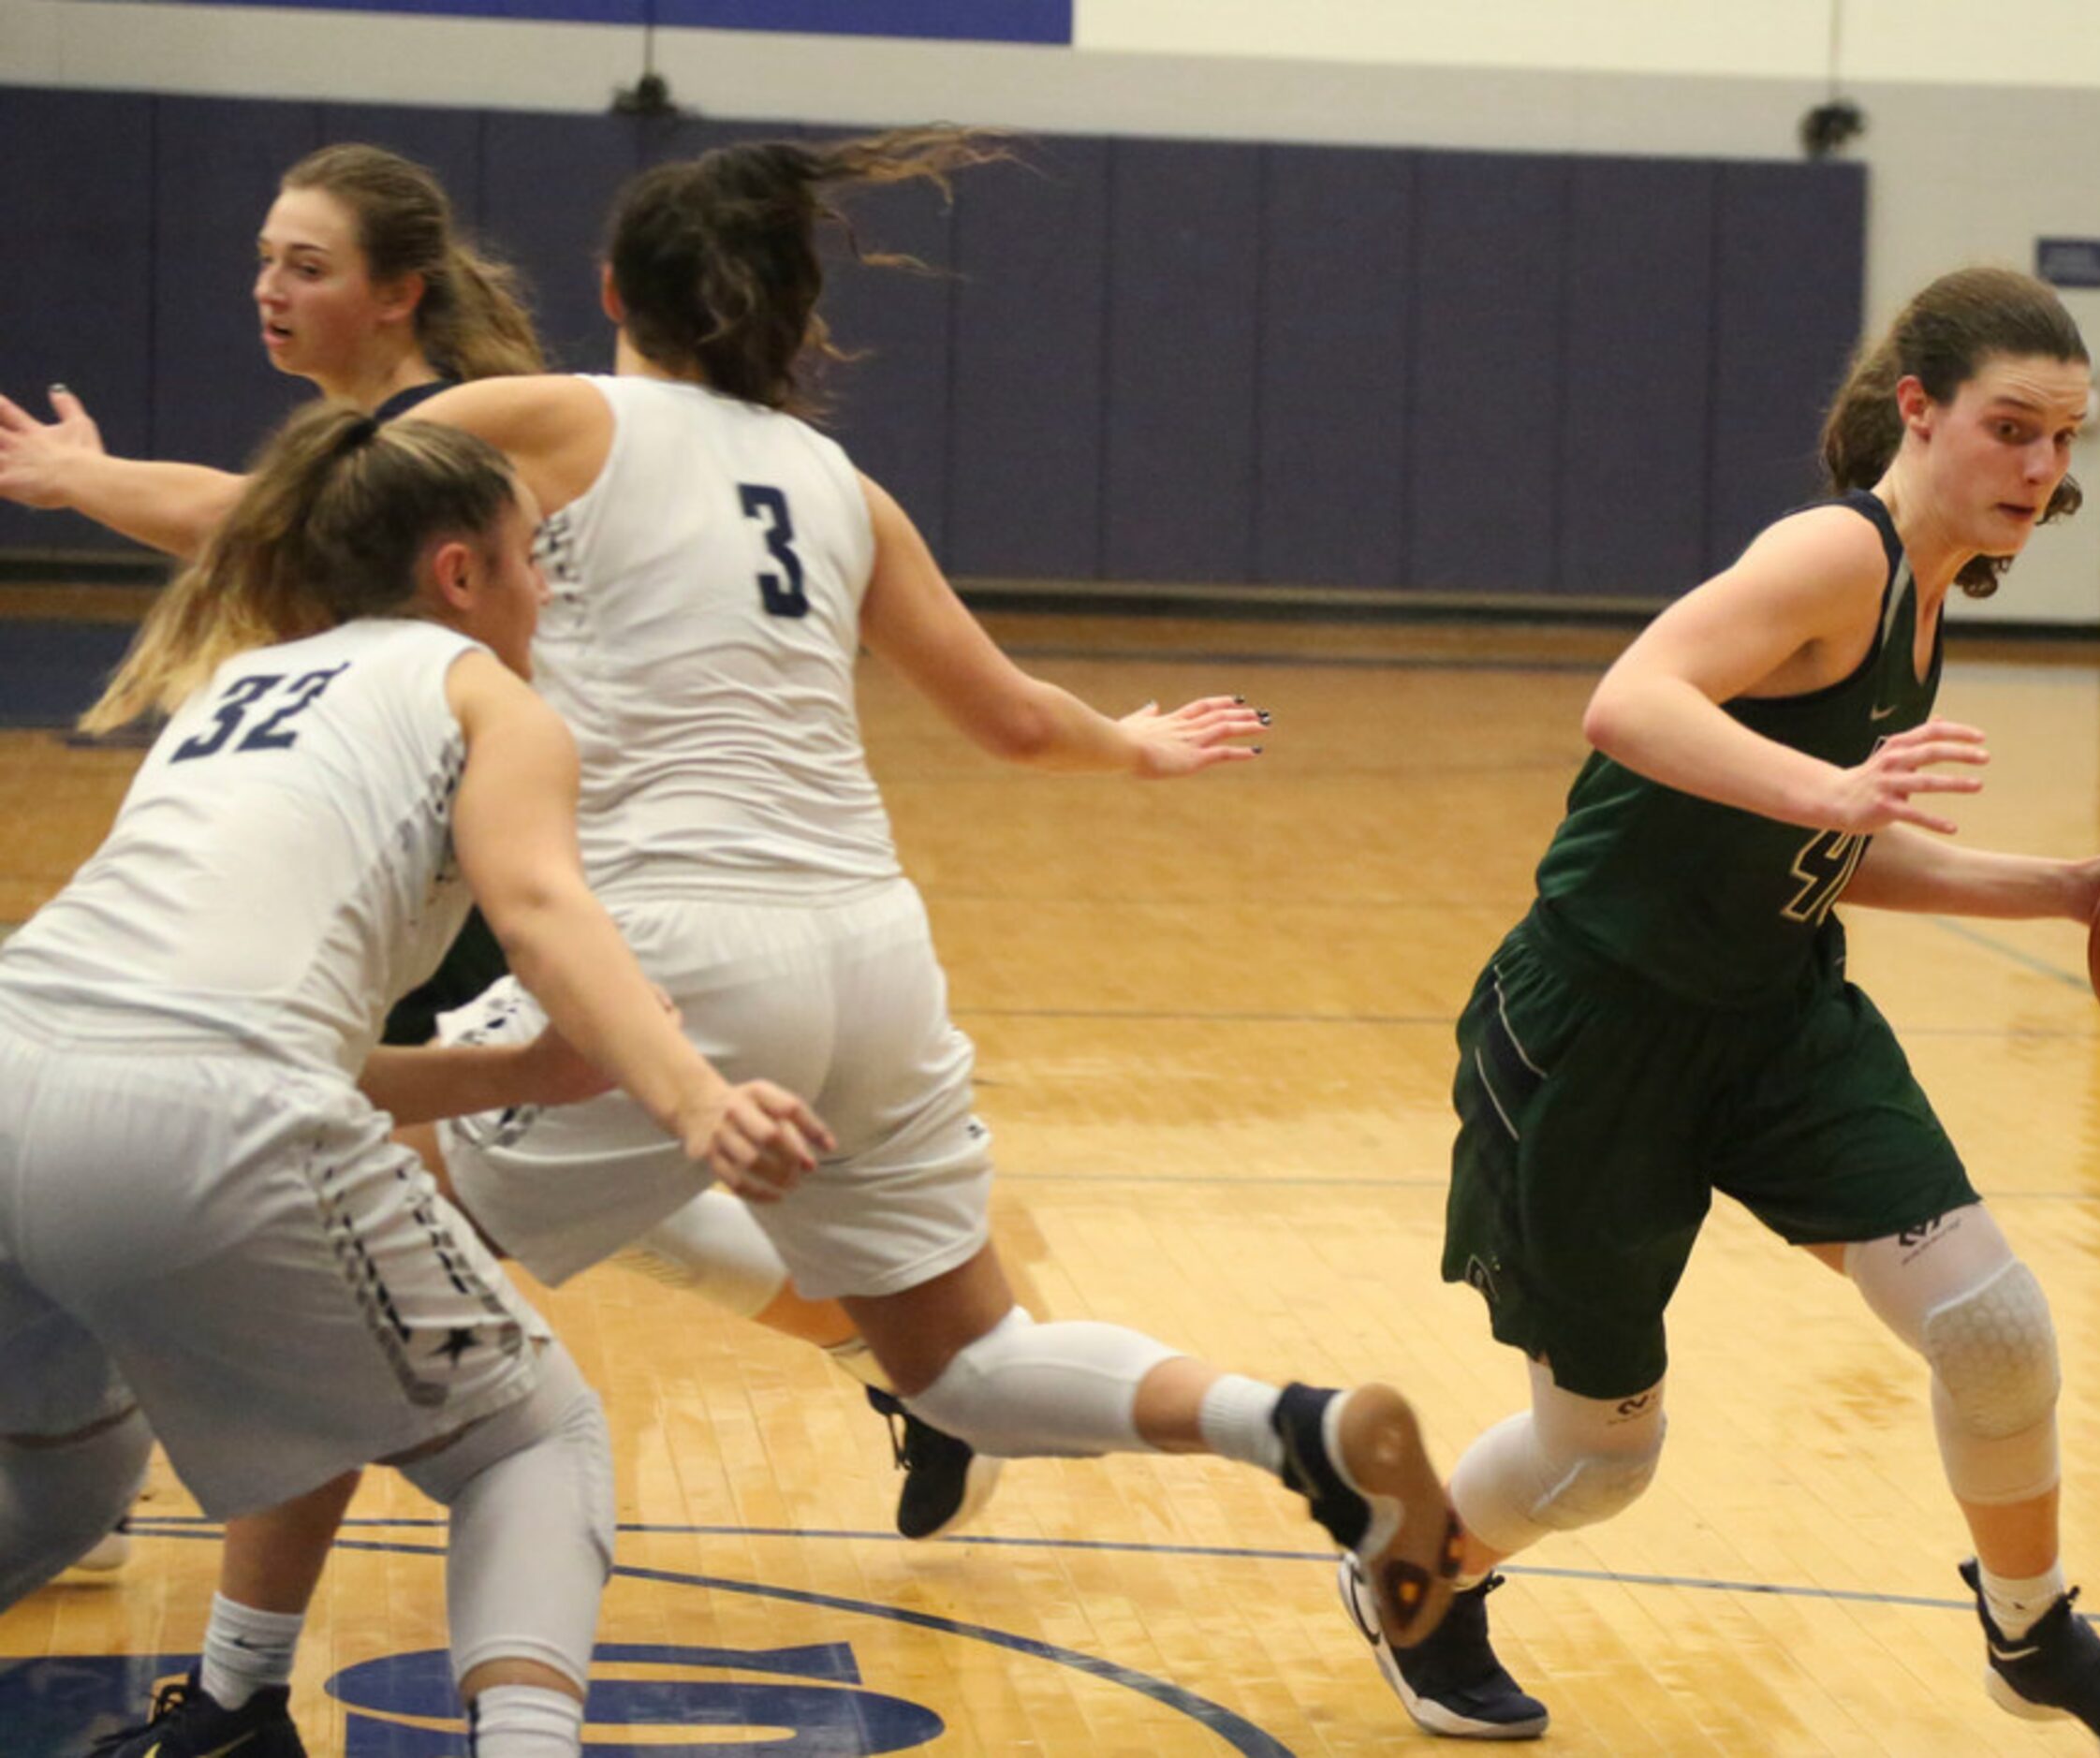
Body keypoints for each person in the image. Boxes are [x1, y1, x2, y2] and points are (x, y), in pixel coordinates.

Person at [387, 127, 1466, 1668]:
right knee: (961, 1365)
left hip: (669, 941)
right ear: (790, 314)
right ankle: (1285, 1422)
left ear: (615, 287)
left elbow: (289, 514)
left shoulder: (559, 413)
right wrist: (1137, 746)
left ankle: (206, 1578)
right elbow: (1017, 717)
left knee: (332, 1162)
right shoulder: (839, 483)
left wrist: (89, 483)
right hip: (873, 955)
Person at [0, 140, 992, 1546]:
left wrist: (72, 483)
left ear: (397, 294)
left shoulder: (442, 431)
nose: (270, 289)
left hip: (461, 849)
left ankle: (167, 1510)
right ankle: (897, 1360)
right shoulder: (445, 419)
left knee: (319, 1157)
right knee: (533, 1169)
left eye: (308, 265)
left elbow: (246, 526)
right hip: (446, 833)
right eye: (264, 261)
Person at [1336, 267, 2100, 1758]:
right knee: (1602, 1455)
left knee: (1996, 1330)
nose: (2043, 468)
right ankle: (1409, 1573)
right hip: (1598, 1034)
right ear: (1919, 409)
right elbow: (1630, 699)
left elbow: (1833, 847)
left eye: (2066, 439)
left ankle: (2033, 1627)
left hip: (1775, 1019)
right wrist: (1829, 784)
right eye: (2014, 428)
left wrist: (2064, 886)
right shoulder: (1834, 553)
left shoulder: (1929, 599)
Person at [0, 403, 831, 1758]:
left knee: (56, 1498)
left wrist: (514, 1070)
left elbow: (208, 1021)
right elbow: (545, 906)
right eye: (530, 558)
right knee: (529, 1443)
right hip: (203, 1114)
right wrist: (693, 1095)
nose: (547, 589)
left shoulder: (242, 687)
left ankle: (235, 1713)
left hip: (18, 1065)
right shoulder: (484, 693)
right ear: (460, 573)